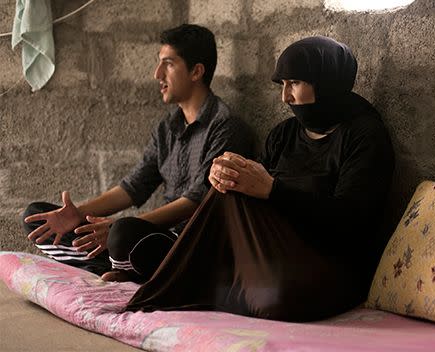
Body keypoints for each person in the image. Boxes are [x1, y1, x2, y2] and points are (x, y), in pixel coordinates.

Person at [125, 36, 395, 322]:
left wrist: (272, 190)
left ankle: (182, 267)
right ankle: (187, 268)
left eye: (295, 84)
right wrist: (221, 175)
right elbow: (253, 199)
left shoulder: (364, 136)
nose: (285, 97)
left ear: (326, 82)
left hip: (330, 267)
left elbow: (351, 222)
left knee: (276, 297)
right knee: (229, 185)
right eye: (282, 85)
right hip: (272, 255)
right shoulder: (284, 134)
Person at [22, 24, 253, 283]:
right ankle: (121, 266)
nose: (157, 74)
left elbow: (199, 201)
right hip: (151, 239)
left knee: (123, 233)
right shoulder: (167, 128)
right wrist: (77, 213)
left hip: (193, 244)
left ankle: (121, 264)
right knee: (36, 215)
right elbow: (133, 187)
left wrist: (118, 229)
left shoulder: (227, 127)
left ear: (196, 71)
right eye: (159, 64)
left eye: (168, 64)